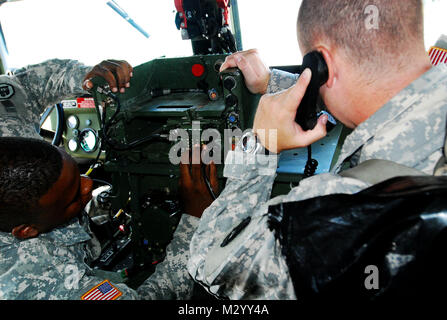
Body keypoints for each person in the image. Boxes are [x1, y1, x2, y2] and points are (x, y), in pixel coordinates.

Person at [186, 0, 447, 299]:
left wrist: (261, 143)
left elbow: (209, 268)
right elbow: (372, 87)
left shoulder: (343, 208)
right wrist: (272, 82)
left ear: (323, 66)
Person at [0, 136, 213, 300]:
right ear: (26, 231)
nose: (88, 185)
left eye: (79, 174)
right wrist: (194, 218)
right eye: (74, 196)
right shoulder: (45, 284)